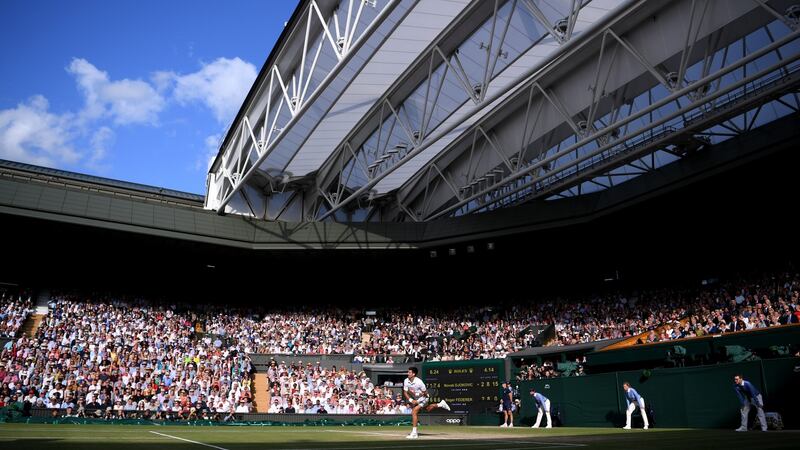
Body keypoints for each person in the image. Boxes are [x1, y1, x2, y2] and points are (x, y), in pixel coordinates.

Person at [403, 367, 451, 439]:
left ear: (413, 374)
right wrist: (411, 400)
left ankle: (414, 433)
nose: (408, 373)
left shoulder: (419, 382)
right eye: (408, 372)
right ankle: (440, 404)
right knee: (427, 409)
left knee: (414, 411)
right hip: (416, 398)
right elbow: (405, 392)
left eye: (409, 372)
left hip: (424, 398)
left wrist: (418, 401)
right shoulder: (406, 381)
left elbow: (426, 395)